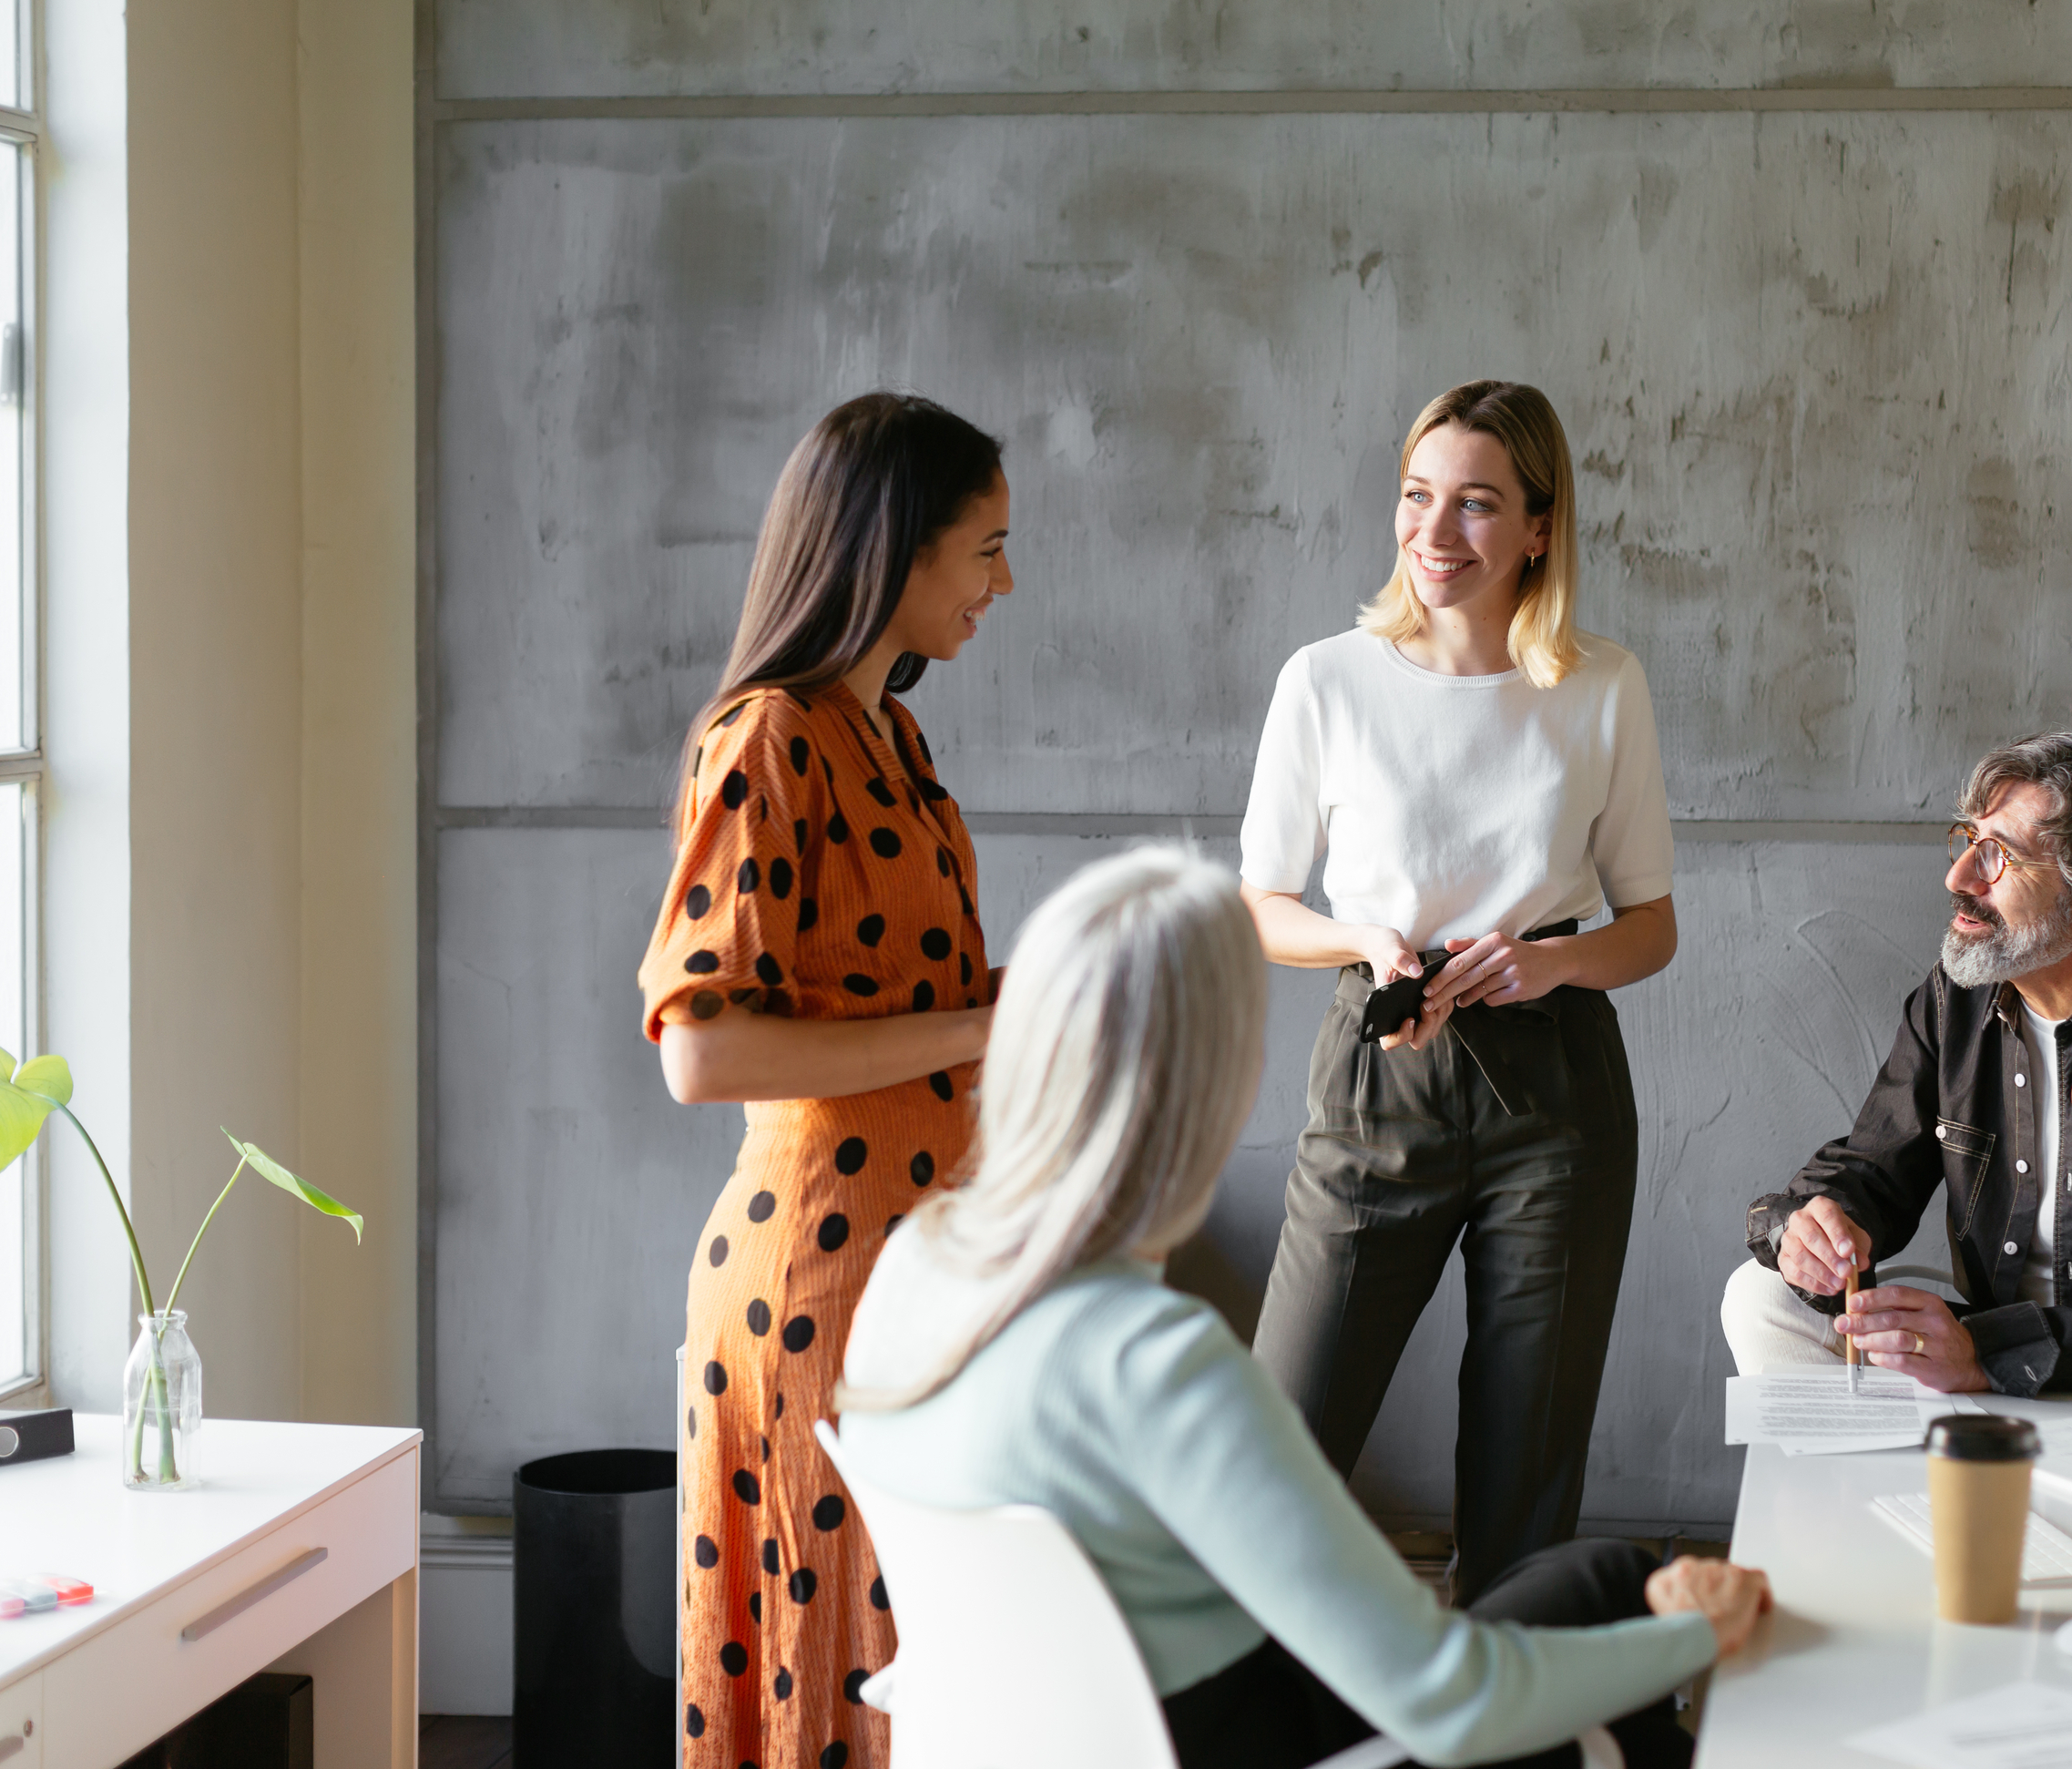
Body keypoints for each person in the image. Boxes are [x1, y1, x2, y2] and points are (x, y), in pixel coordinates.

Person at [835, 847, 1768, 1769]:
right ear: (1217, 1085)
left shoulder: (916, 1262)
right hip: (1242, 1735)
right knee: (1629, 1598)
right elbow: (1452, 1701)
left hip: (1030, 1733)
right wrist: (1692, 1635)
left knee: (1602, 1576)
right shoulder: (1154, 1355)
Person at [1236, 380, 1678, 1602]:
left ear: (1540, 527)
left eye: (1476, 504)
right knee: (1281, 1446)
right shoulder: (1327, 679)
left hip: (1559, 1083)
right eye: (1418, 497)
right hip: (1383, 1063)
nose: (1435, 532)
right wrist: (1363, 939)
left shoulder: (1602, 684)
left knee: (1525, 1482)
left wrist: (1548, 959)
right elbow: (1263, 906)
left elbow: (1651, 926)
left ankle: (1503, 1729)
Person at [638, 392, 1013, 1768]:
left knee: (908, 1680)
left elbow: (912, 1004)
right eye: (984, 550)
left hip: (915, 1272)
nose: (1004, 583)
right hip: (818, 1285)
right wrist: (972, 1029)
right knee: (835, 1672)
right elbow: (700, 1046)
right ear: (897, 549)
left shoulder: (895, 742)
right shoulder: (769, 740)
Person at [1721, 732, 2072, 1396]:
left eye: (1999, 856)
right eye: (1968, 838)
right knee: (1762, 1296)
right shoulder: (1954, 1001)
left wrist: (1984, 1353)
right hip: (1992, 1365)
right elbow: (1872, 1171)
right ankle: (1876, 1490)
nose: (1959, 876)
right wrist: (1810, 1226)